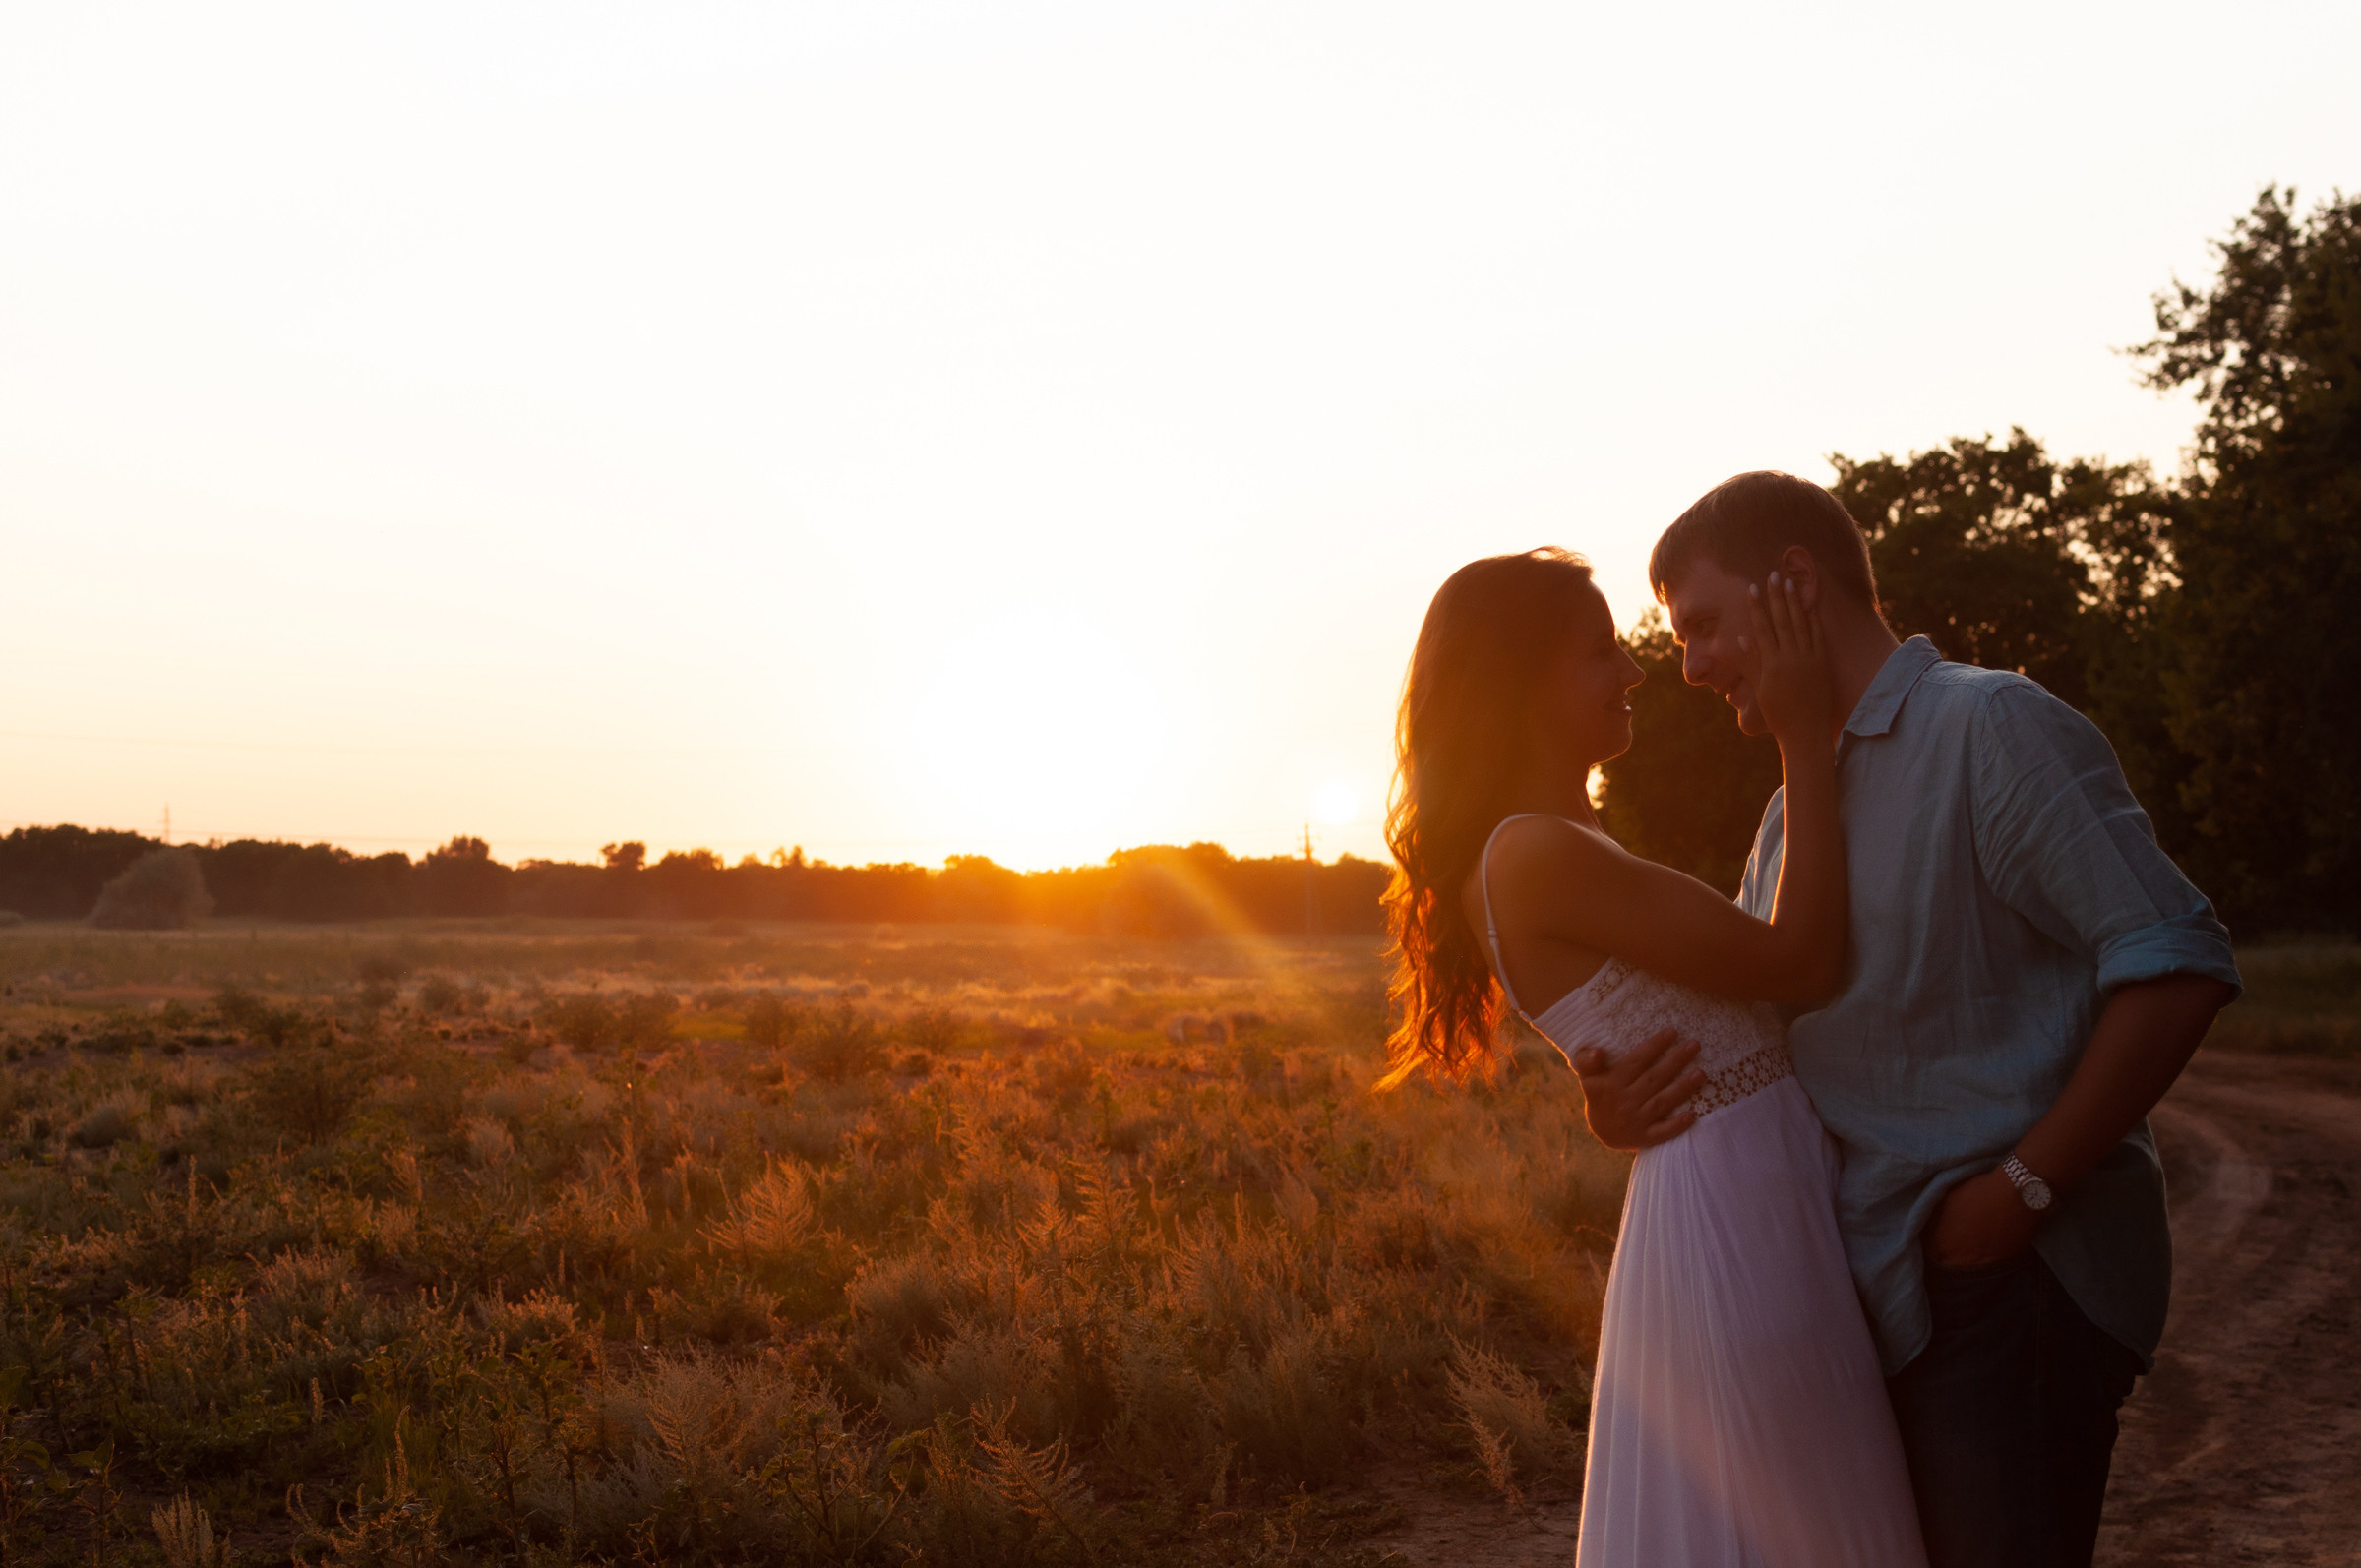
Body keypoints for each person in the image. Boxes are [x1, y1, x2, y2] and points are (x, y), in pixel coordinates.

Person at [1577, 471, 2240, 1568]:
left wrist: (2018, 1192)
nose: (1688, 665)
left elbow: (2175, 956)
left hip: (2005, 1293)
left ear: (1793, 583)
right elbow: (1762, 1039)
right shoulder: (1791, 814)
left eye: (1700, 624)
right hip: (1863, 1298)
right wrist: (1621, 1103)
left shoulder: (1990, 726)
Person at [1383, 546, 1927, 1568]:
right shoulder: (1536, 850)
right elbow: (1798, 960)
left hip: (1744, 1189)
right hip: (1734, 1212)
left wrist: (1607, 1102)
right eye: (1602, 652)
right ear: (1517, 683)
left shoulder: (1554, 840)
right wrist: (1804, 737)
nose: (1635, 671)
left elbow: (1666, 1019)